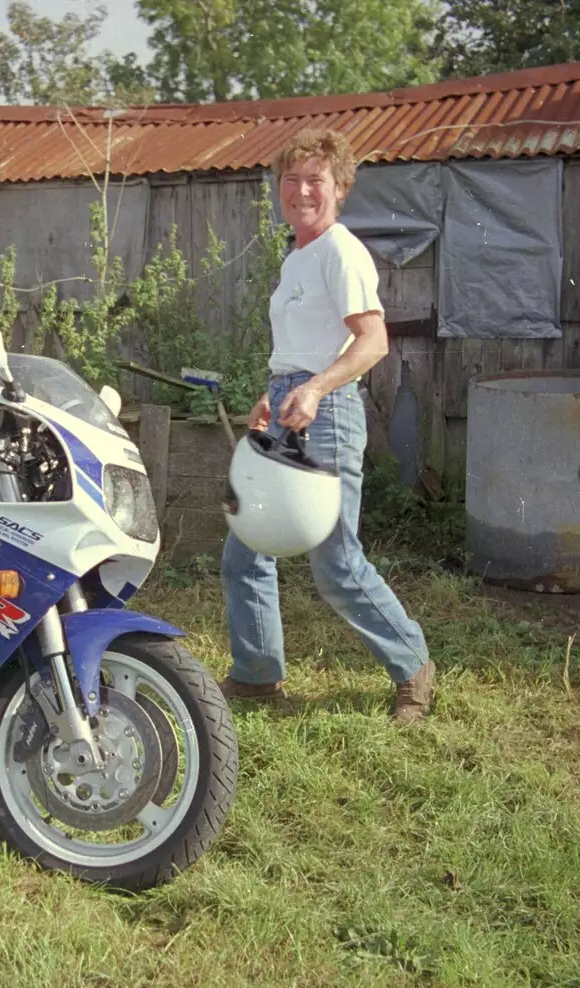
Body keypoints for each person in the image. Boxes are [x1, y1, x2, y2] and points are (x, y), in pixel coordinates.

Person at [220, 128, 435, 722]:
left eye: (315, 179)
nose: (301, 190)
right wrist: (275, 392)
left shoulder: (341, 251)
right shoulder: (298, 257)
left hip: (328, 412)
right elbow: (306, 344)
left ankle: (413, 664)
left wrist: (313, 388)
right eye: (291, 180)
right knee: (247, 553)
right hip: (292, 402)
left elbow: (373, 342)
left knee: (336, 562)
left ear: (339, 188)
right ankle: (258, 675)